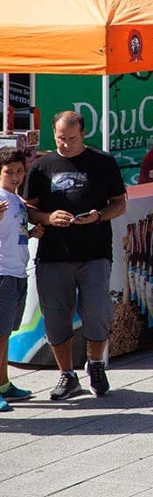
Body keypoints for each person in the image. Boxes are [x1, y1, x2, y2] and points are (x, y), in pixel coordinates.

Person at [24, 111, 127, 399]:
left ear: (83, 134)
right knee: (56, 316)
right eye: (60, 138)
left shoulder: (103, 162)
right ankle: (66, 375)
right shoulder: (41, 166)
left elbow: (120, 204)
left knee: (97, 311)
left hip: (94, 251)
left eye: (71, 138)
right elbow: (27, 208)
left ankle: (95, 364)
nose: (66, 143)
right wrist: (46, 217)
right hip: (53, 255)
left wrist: (98, 216)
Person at [0, 148, 38, 409]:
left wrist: (33, 233)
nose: (15, 177)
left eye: (19, 171)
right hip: (3, 274)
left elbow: (15, 234)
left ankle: (3, 384)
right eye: (8, 172)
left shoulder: (16, 200)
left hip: (17, 272)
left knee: (6, 336)